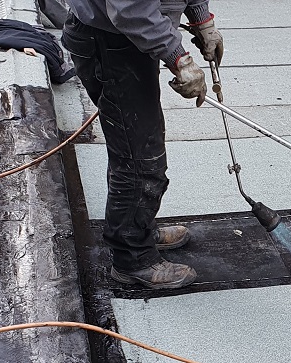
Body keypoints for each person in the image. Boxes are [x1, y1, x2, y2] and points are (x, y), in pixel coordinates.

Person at [61, 1, 223, 289]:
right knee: (139, 157)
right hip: (110, 40)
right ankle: (133, 258)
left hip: (127, 38)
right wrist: (178, 58)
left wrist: (201, 19)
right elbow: (129, 9)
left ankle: (138, 230)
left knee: (139, 146)